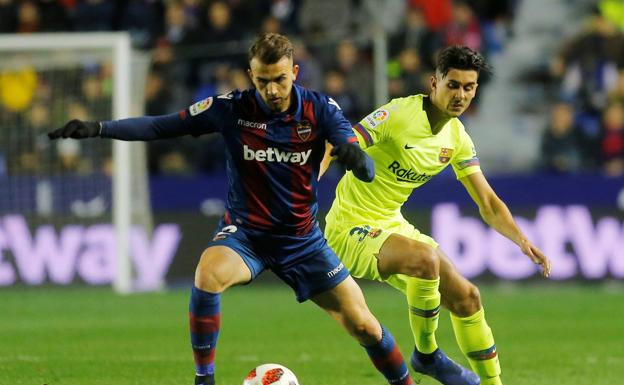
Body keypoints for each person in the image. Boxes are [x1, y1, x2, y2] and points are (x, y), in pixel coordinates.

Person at [48, 33, 416, 385]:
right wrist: (98, 128)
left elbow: (366, 171)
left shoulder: (320, 109)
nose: (272, 90)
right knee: (208, 275)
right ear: (251, 75)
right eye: (263, 80)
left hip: (302, 240)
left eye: (280, 80)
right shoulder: (231, 108)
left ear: (295, 73)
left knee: (365, 325)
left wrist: (355, 156)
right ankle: (203, 379)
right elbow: (162, 127)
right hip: (246, 235)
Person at [323, 46, 552, 385]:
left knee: (468, 297)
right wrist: (317, 175)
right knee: (426, 260)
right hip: (350, 228)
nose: (460, 94)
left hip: (391, 223)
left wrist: (521, 240)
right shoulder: (399, 114)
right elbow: (342, 141)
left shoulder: (457, 137)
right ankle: (427, 355)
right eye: (453, 85)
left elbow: (487, 201)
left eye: (468, 87)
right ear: (435, 83)